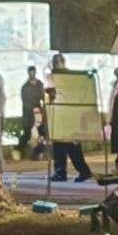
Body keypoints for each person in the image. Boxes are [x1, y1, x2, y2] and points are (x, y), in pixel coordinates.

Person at [47, 52, 93, 181]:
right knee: (62, 146)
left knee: (71, 146)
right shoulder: (56, 76)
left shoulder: (68, 77)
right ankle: (63, 172)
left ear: (62, 63)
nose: (56, 66)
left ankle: (77, 171)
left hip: (68, 115)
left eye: (57, 63)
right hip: (62, 115)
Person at [18, 63, 46, 160]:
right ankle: (19, 150)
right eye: (30, 72)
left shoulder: (39, 84)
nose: (32, 74)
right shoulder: (25, 87)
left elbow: (43, 97)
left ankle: (38, 153)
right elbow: (24, 100)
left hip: (38, 112)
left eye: (33, 72)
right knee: (27, 133)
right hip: (29, 113)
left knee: (42, 133)